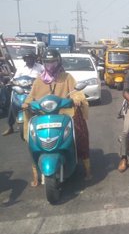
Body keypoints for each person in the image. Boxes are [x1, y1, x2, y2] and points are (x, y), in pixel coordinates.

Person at [23, 49, 90, 184]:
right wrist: (26, 103)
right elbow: (31, 96)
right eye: (47, 62)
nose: (50, 65)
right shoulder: (39, 81)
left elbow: (76, 91)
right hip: (43, 116)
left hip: (65, 114)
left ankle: (87, 168)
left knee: (81, 134)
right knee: (32, 142)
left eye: (53, 61)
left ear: (58, 62)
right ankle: (36, 174)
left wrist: (76, 98)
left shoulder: (67, 77)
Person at [3, 52, 42, 136]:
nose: (29, 60)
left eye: (31, 58)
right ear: (25, 60)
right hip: (21, 89)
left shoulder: (40, 67)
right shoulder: (21, 68)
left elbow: (44, 76)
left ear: (34, 59)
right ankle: (10, 127)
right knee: (12, 104)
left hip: (34, 90)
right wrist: (11, 82)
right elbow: (15, 78)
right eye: (27, 59)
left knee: (40, 105)